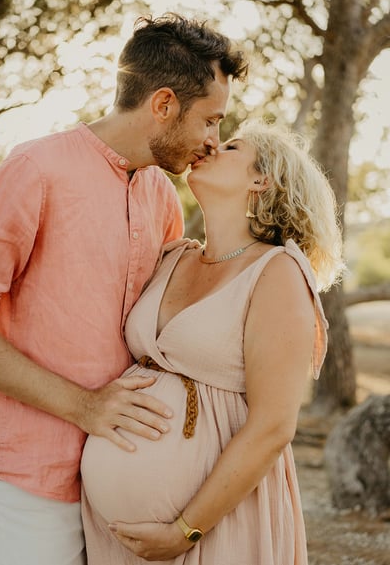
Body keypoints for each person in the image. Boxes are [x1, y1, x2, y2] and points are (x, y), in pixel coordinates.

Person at [0, 14, 247, 565]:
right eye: (210, 121)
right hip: (27, 485)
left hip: (120, 489)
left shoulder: (160, 195)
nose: (213, 142)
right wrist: (84, 407)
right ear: (162, 104)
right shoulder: (35, 169)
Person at [80, 119, 344, 565]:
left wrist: (186, 531)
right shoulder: (172, 256)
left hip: (214, 529)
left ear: (262, 179)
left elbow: (273, 426)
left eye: (232, 146)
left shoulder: (277, 272)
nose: (210, 147)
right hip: (111, 536)